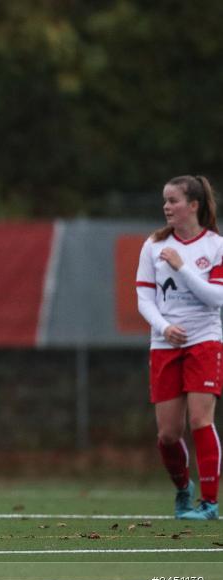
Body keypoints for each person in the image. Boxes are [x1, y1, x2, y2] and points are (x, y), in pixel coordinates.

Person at [136, 174, 222, 520]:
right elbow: (143, 297)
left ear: (194, 205)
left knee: (201, 420)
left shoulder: (215, 245)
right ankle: (184, 491)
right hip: (165, 343)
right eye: (165, 201)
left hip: (205, 340)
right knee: (168, 434)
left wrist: (182, 268)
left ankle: (210, 503)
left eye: (173, 201)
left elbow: (216, 297)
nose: (166, 207)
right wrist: (164, 327)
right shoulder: (153, 246)